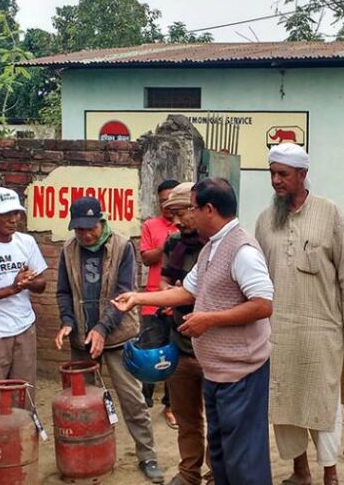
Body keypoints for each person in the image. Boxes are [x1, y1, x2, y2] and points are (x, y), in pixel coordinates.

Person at [113, 178, 274, 485]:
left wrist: (209, 320)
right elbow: (186, 292)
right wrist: (138, 297)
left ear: (209, 209)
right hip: (218, 372)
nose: (183, 217)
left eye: (192, 209)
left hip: (241, 372)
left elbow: (263, 304)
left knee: (243, 459)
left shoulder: (242, 250)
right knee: (224, 455)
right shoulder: (212, 248)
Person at [255, 143, 344, 485]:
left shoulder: (328, 212)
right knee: (283, 403)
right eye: (272, 173)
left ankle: (329, 473)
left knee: (324, 403)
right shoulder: (264, 220)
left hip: (322, 330)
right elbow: (256, 277)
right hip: (278, 331)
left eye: (283, 174)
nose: (276, 181)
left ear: (302, 175)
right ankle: (300, 470)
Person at [54, 196, 163, 484]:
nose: (85, 234)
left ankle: (147, 456)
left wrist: (102, 328)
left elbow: (124, 295)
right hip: (81, 341)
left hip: (117, 337)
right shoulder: (68, 249)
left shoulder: (123, 246)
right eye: (79, 229)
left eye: (90, 228)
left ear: (101, 221)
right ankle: (89, 457)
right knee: (83, 405)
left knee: (132, 400)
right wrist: (67, 322)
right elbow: (64, 292)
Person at [160, 182, 211, 485]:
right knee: (188, 420)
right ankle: (189, 473)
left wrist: (189, 295)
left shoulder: (217, 246)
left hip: (212, 348)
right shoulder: (173, 245)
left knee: (218, 421)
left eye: (180, 213)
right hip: (179, 344)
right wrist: (172, 293)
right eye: (172, 216)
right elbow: (165, 282)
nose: (177, 222)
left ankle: (217, 472)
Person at [0, 188, 47, 404]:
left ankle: (25, 436)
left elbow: (42, 284)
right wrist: (12, 288)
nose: (13, 219)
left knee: (24, 395)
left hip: (25, 327)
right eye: (6, 214)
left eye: (16, 213)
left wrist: (29, 282)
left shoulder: (26, 242)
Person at [140, 179, 179, 425]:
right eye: (162, 200)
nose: (166, 204)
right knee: (149, 356)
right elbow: (146, 258)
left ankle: (170, 406)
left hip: (178, 302)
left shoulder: (189, 227)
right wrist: (169, 244)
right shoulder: (150, 226)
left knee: (175, 357)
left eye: (170, 200)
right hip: (152, 301)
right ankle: (144, 401)